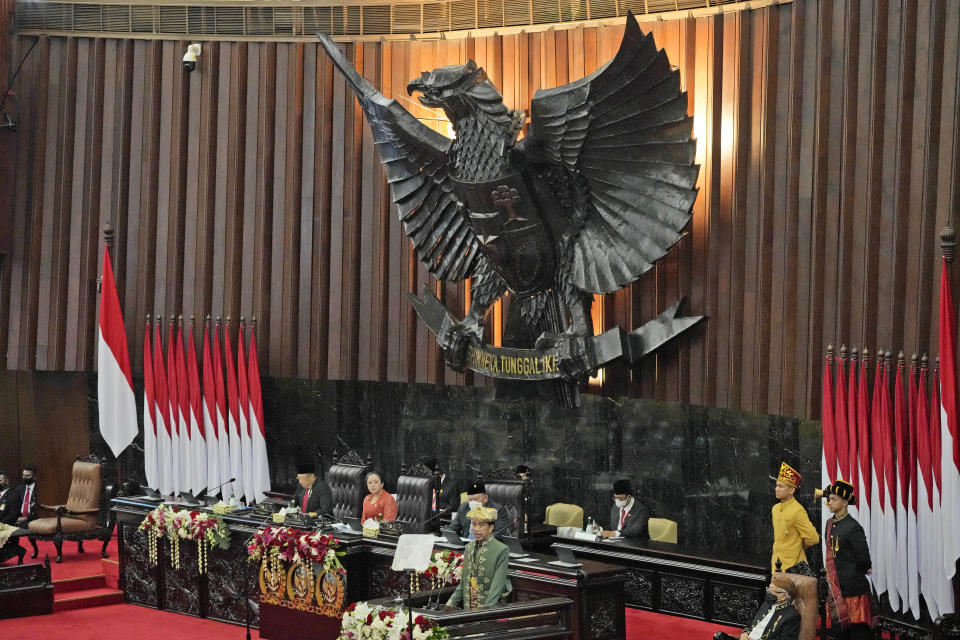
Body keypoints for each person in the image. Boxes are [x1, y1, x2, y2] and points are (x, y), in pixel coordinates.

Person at [821, 481, 872, 640]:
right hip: (836, 587)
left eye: (834, 499)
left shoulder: (853, 527)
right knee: (839, 633)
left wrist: (863, 569)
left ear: (844, 502)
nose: (829, 502)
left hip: (852, 589)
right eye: (829, 499)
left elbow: (863, 558)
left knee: (856, 632)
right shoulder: (829, 524)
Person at [446, 506, 512, 610]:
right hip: (469, 605)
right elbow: (464, 582)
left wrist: (486, 612)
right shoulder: (469, 547)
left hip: (489, 608)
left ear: (491, 528)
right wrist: (449, 605)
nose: (476, 529)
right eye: (474, 524)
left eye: (481, 525)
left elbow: (497, 585)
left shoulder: (501, 549)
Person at [712, 575, 801, 640]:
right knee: (719, 636)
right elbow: (750, 624)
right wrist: (744, 634)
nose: (768, 593)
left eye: (772, 591)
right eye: (768, 589)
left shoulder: (792, 616)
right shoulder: (766, 604)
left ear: (783, 596)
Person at [771, 462, 819, 573]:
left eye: (781, 486)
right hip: (776, 564)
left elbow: (814, 538)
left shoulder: (797, 510)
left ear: (792, 490)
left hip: (793, 567)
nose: (776, 489)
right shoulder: (775, 509)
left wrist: (796, 545)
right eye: (776, 485)